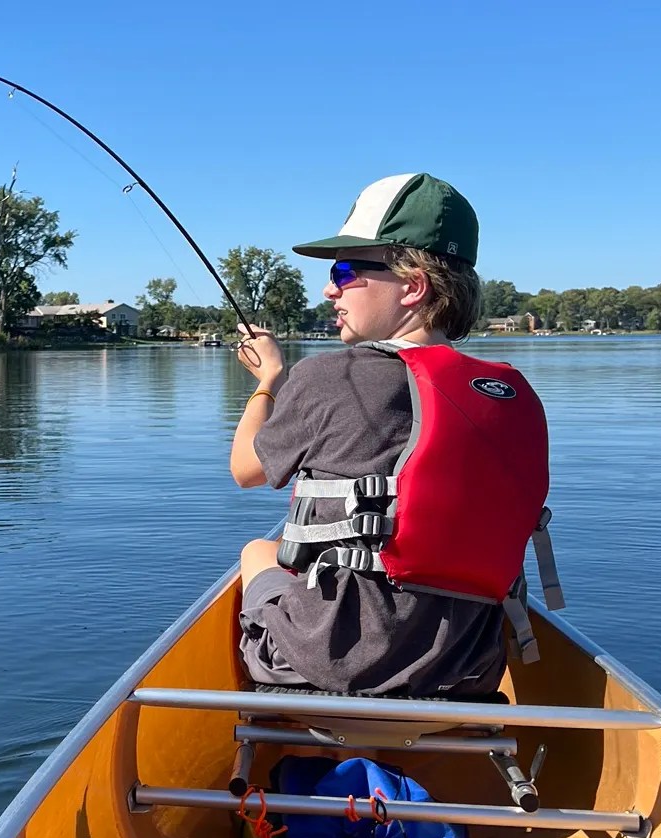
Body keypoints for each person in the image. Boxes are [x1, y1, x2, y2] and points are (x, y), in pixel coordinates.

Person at [230, 173, 548, 698]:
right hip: (467, 672)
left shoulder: (330, 375)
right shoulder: (508, 394)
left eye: (347, 270)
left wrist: (268, 382)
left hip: (326, 669)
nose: (330, 288)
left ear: (414, 285)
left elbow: (246, 470)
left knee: (257, 553)